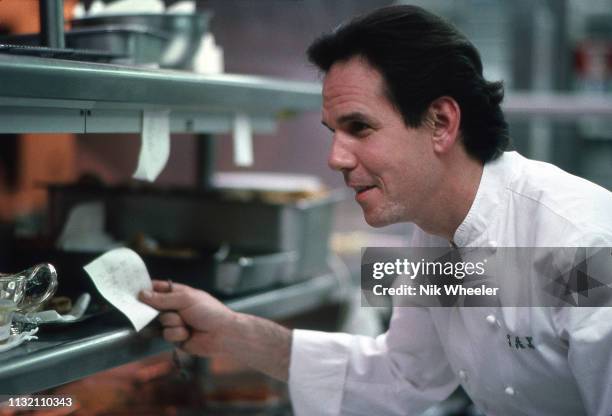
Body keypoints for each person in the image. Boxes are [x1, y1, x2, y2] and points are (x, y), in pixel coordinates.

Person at [139, 5, 612, 415]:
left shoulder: (580, 244)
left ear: (441, 124)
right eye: (333, 131)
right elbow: (403, 374)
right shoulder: (438, 230)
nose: (335, 158)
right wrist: (234, 332)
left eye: (359, 127)